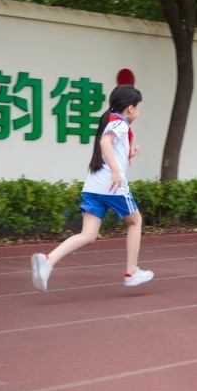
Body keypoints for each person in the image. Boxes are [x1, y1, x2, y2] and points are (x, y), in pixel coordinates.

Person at [30, 85, 154, 292]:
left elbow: (109, 149)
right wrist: (116, 171)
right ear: (130, 108)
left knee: (88, 235)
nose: (140, 110)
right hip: (113, 188)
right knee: (136, 222)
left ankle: (47, 261)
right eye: (139, 107)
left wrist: (129, 154)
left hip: (94, 186)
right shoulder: (120, 124)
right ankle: (131, 272)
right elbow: (105, 143)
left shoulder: (112, 120)